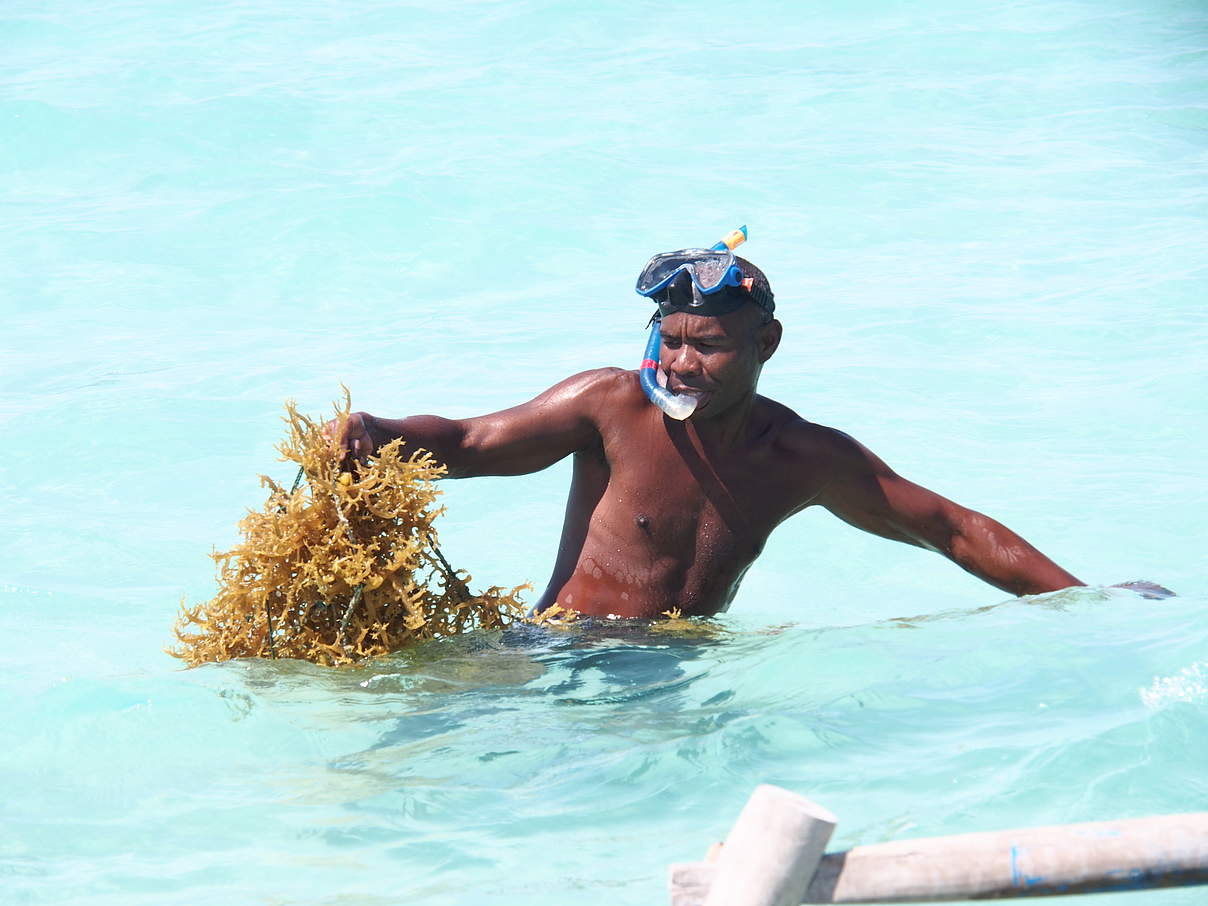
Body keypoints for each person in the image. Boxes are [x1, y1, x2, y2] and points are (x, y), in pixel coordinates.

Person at [332, 238, 1089, 619]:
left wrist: (1086, 603)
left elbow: (950, 529)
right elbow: (468, 444)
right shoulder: (612, 405)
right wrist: (376, 427)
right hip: (562, 657)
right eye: (672, 340)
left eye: (709, 346)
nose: (682, 364)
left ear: (767, 343)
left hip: (682, 668)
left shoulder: (802, 456)